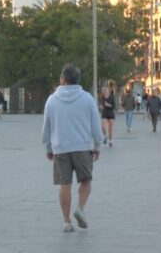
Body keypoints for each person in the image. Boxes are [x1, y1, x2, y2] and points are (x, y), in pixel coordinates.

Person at [41, 64, 103, 233]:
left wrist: (48, 147)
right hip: (82, 147)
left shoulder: (52, 99)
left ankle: (66, 221)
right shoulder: (87, 98)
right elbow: (95, 124)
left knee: (64, 184)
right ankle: (80, 208)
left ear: (63, 79)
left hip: (60, 148)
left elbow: (46, 125)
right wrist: (97, 145)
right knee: (86, 181)